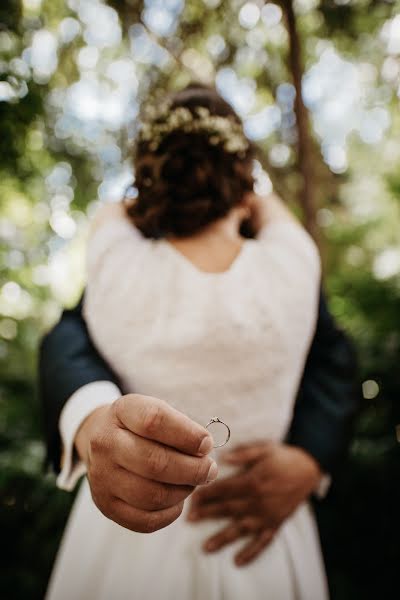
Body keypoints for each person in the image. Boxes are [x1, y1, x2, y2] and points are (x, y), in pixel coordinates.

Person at [40, 84, 358, 600]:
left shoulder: (116, 259)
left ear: (150, 175)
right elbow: (68, 342)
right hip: (263, 551)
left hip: (127, 549)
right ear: (244, 175)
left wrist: (311, 457)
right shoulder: (292, 259)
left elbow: (332, 359)